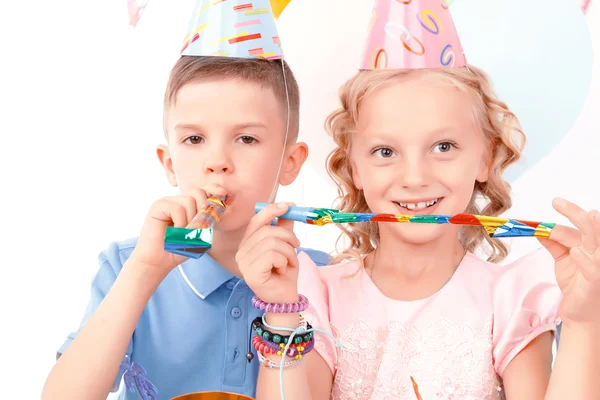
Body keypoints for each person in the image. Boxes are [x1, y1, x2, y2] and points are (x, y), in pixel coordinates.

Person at [237, 1, 600, 399]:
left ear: (487, 156)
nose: (414, 178)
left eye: (443, 146)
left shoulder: (510, 300)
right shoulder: (317, 294)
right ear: (354, 167)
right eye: (385, 152)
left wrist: (584, 320)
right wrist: (280, 314)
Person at [42, 1, 329, 399]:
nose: (217, 163)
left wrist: (282, 308)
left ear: (290, 161)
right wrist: (144, 270)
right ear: (170, 162)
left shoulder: (324, 279)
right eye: (194, 139)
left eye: (246, 138)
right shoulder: (127, 263)